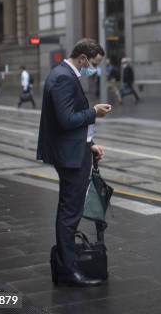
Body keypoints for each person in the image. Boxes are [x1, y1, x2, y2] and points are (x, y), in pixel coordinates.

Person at [36, 38, 112, 286]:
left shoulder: (64, 75)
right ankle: (68, 269)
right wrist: (94, 112)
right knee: (70, 212)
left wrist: (89, 145)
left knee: (68, 209)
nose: (95, 69)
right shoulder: (64, 78)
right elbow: (66, 119)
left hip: (74, 151)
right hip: (70, 158)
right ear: (83, 59)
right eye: (94, 64)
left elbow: (67, 124)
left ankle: (66, 264)